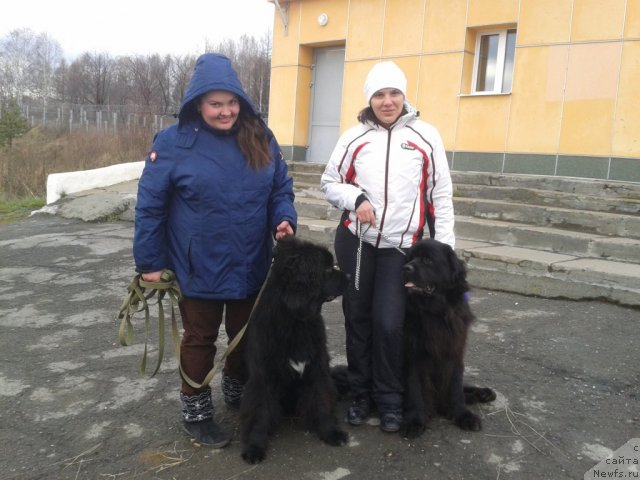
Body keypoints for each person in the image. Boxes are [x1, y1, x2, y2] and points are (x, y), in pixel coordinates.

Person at [133, 53, 297, 448]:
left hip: (250, 261)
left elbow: (280, 188)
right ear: (198, 104)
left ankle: (237, 393)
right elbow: (150, 205)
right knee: (200, 339)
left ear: (241, 100)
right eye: (215, 104)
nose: (225, 112)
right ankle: (196, 412)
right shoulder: (173, 142)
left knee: (246, 336)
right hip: (197, 265)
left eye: (231, 102)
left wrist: (284, 217)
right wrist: (150, 262)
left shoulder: (260, 135)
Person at [320, 61, 455, 433]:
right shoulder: (354, 137)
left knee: (390, 322)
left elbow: (440, 195)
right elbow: (329, 182)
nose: (387, 101)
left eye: (394, 93)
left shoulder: (426, 137)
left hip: (402, 250)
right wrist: (356, 197)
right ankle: (361, 394)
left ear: (404, 96)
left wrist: (444, 251)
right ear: (370, 99)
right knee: (358, 319)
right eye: (379, 94)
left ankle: (390, 398)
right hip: (357, 244)